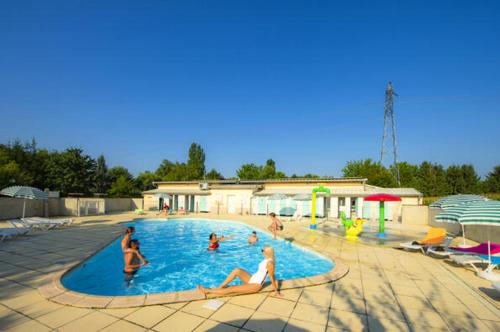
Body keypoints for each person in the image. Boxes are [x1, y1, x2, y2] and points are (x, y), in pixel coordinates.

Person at [198, 245, 282, 297]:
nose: (262, 251)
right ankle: (220, 287)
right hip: (252, 279)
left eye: (263, 250)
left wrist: (276, 291)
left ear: (267, 252)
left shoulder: (270, 263)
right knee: (237, 270)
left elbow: (272, 277)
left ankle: (208, 290)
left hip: (256, 285)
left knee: (232, 288)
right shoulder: (266, 259)